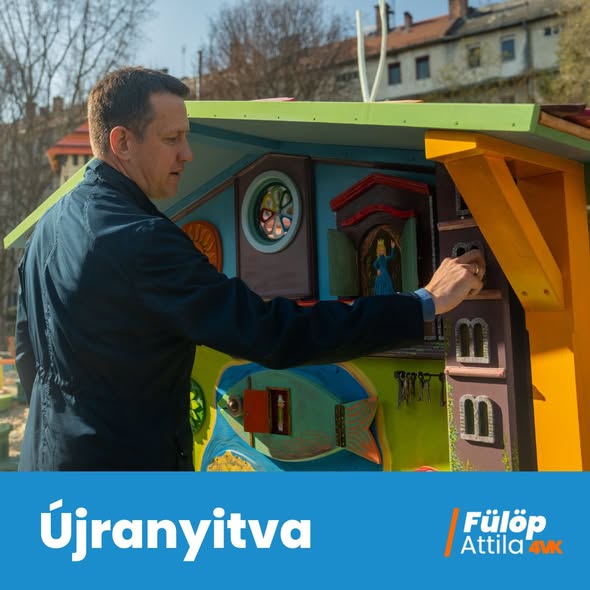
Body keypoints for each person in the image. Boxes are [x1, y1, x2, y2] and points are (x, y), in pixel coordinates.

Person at [15, 67, 485, 471]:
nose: (187, 154)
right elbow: (269, 334)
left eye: (186, 137)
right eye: (171, 139)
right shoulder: (142, 239)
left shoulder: (46, 231)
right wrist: (422, 303)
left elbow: (27, 357)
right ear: (122, 142)